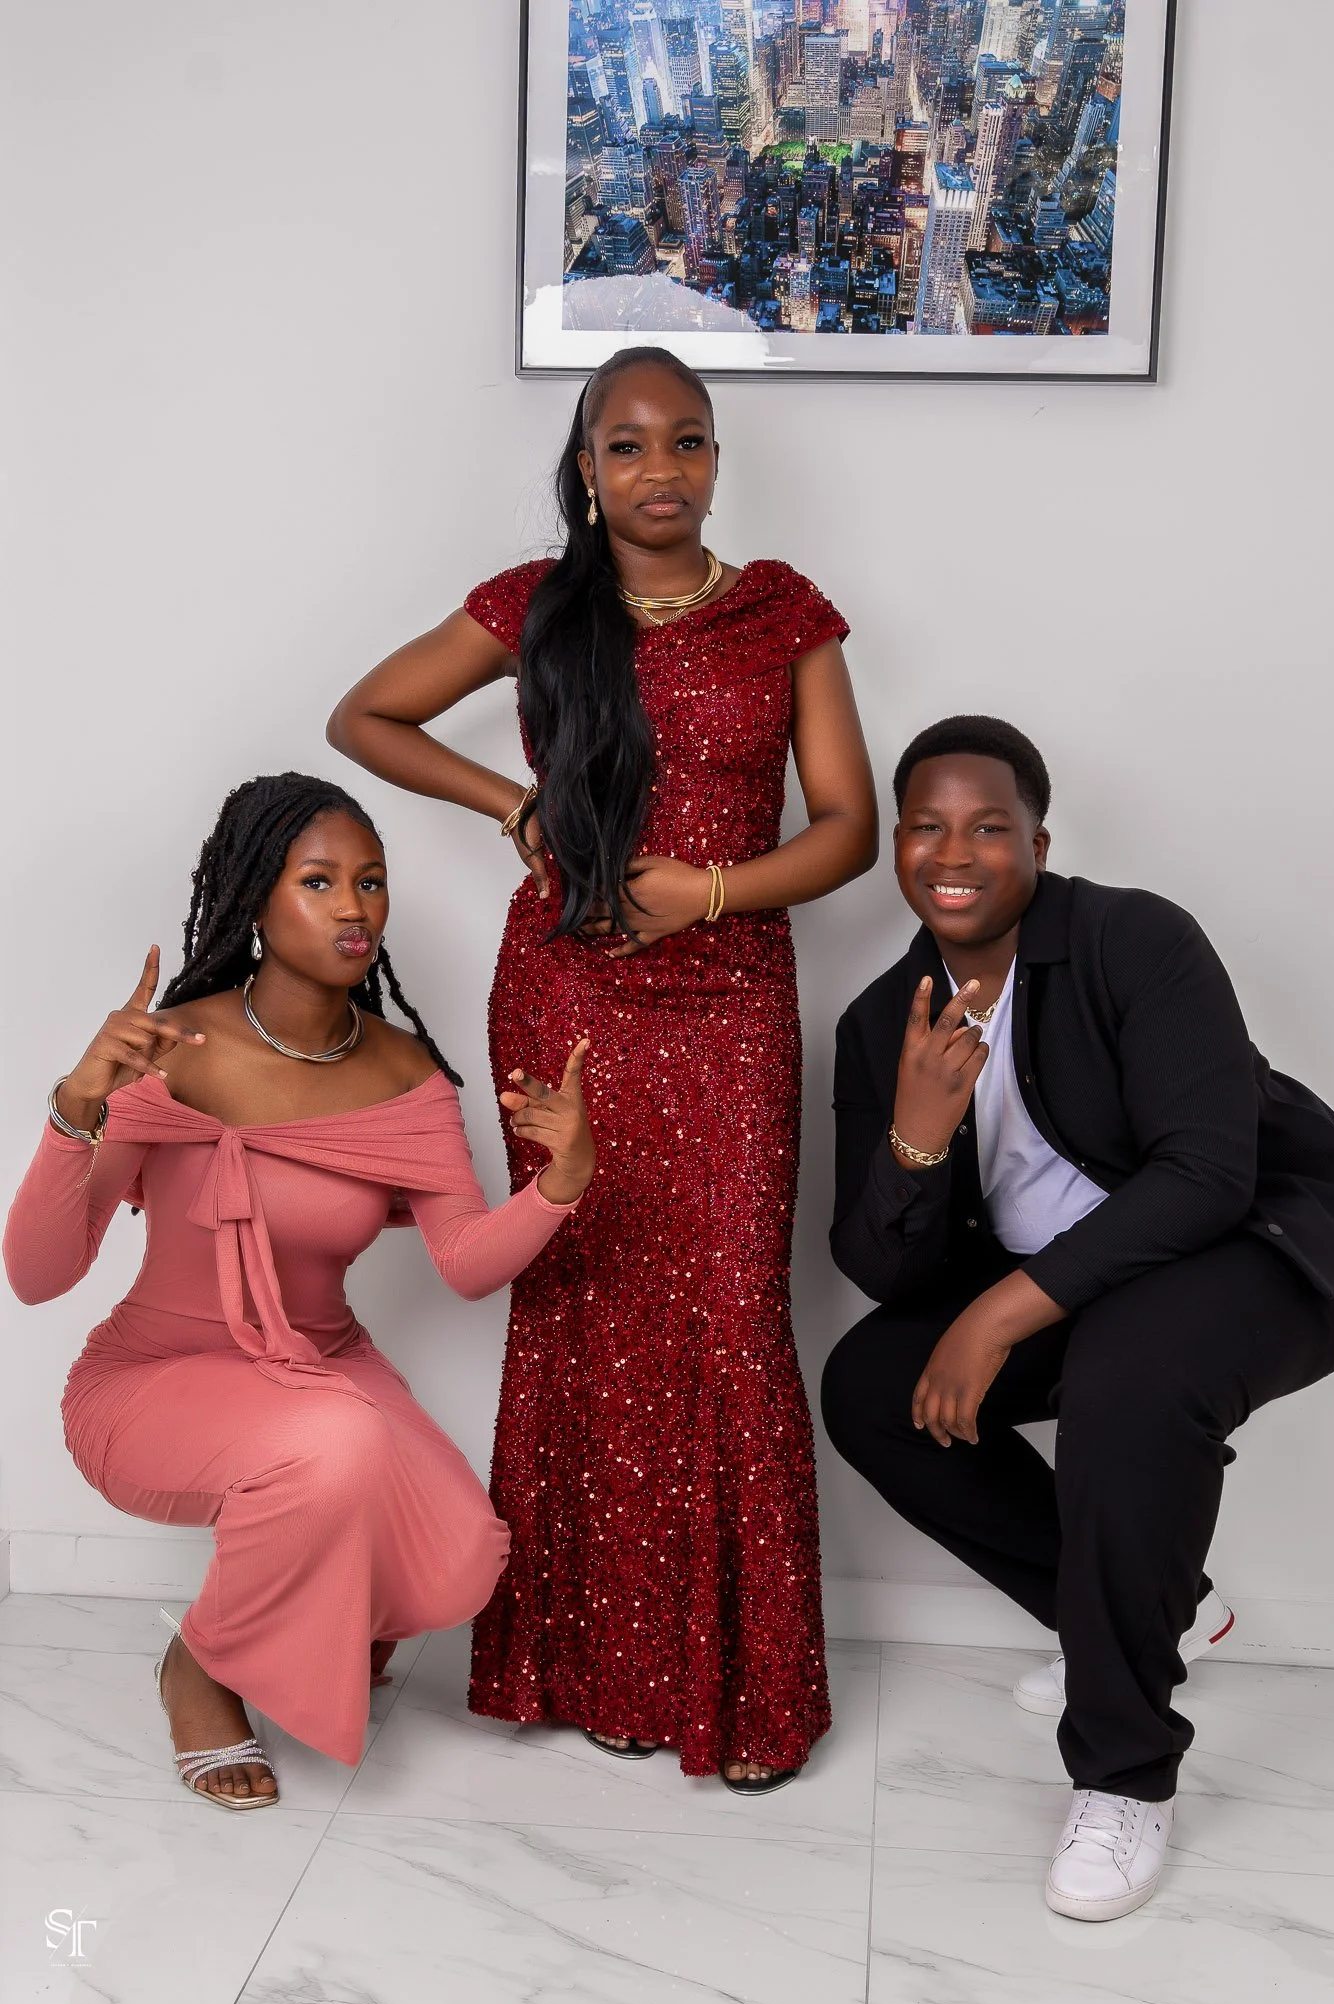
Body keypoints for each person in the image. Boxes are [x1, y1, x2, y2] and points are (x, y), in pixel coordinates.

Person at [327, 345, 877, 1788]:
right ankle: (602, 1673)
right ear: (586, 468)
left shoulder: (784, 616)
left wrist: (708, 892)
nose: (657, 472)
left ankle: (737, 1693)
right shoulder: (538, 606)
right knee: (585, 1312)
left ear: (716, 460)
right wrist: (512, 802)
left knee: (726, 1314)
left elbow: (845, 831)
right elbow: (363, 718)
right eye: (625, 446)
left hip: (731, 998)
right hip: (569, 990)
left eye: (684, 443)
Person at [820, 715, 1334, 1916]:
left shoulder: (1132, 938)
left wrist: (999, 1315)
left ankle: (1125, 1772)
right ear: (898, 846)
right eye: (927, 824)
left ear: (1039, 841)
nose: (954, 850)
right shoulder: (884, 1020)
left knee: (1126, 1371)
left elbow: (1208, 1170)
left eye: (989, 825)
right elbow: (875, 1265)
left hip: (1263, 1246)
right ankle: (1145, 1605)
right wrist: (915, 1134)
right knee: (868, 1384)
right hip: (1088, 1286)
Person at [3, 772, 595, 1809]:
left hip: (321, 1371)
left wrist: (562, 1184)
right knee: (336, 1442)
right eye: (318, 881)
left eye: (370, 881)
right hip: (156, 1381)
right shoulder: (169, 1049)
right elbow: (37, 1274)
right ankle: (200, 1663)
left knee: (462, 1559)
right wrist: (78, 1102)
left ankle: (317, 1610)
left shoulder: (408, 1073)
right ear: (255, 905)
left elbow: (460, 1262)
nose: (354, 905)